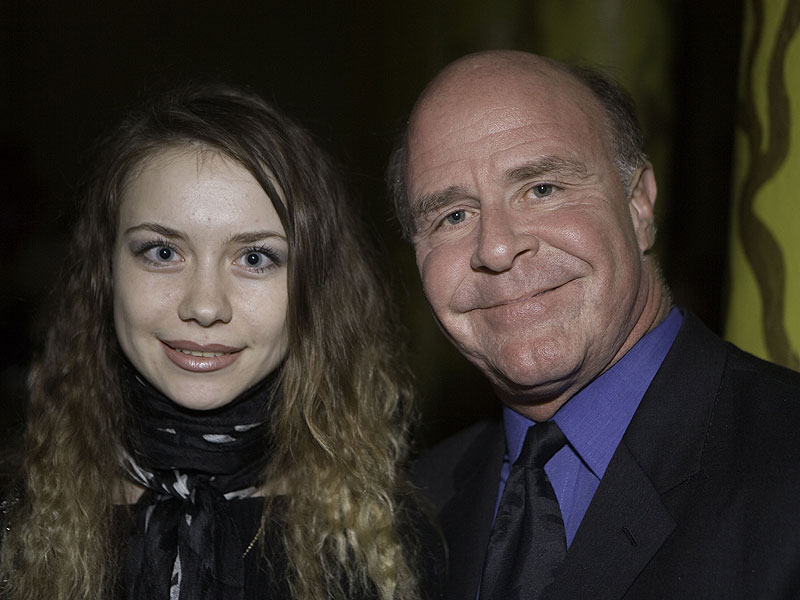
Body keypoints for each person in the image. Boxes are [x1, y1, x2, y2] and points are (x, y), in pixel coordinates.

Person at [0, 84, 442, 600]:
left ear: (315, 289)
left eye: (254, 258)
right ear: (106, 272)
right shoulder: (18, 529)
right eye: (163, 252)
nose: (205, 306)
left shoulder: (388, 549)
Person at [387, 49, 800, 599]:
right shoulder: (407, 513)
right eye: (454, 215)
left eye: (542, 189)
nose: (497, 248)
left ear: (639, 205)